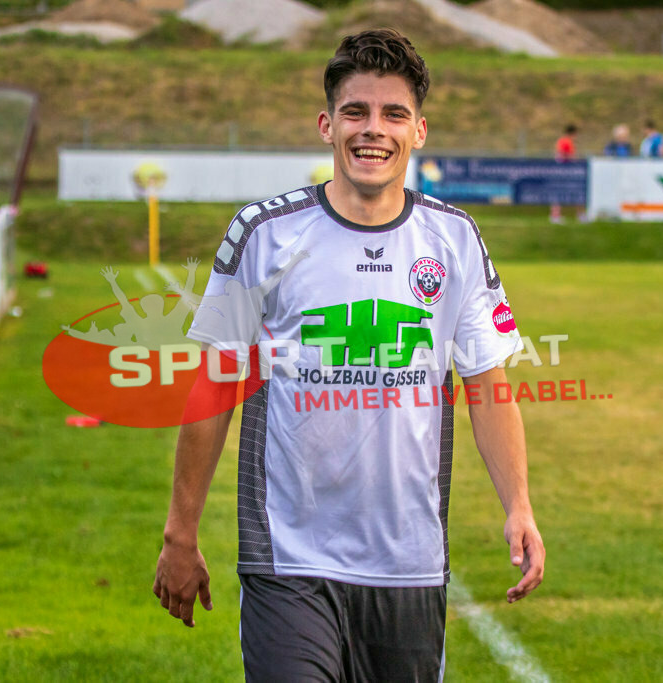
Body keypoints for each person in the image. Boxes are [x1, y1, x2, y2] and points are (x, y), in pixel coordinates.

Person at [152, 29, 545, 681]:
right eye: (356, 111)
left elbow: (487, 385)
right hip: (290, 560)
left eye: (393, 114)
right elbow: (213, 388)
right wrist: (179, 531)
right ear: (326, 124)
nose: (374, 130)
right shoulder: (264, 234)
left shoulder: (455, 240)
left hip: (410, 566)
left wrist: (520, 504)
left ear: (419, 130)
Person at [551, 123, 578, 223]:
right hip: (564, 170)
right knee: (560, 192)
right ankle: (555, 215)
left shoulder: (562, 141)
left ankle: (555, 215)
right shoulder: (567, 142)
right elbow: (564, 155)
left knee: (559, 192)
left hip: (561, 169)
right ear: (573, 133)